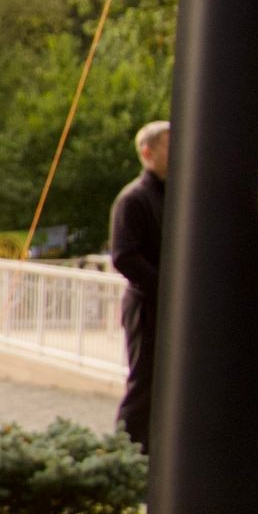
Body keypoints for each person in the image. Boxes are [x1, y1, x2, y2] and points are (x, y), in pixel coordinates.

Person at [111, 120, 169, 452]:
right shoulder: (133, 199)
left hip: (165, 303)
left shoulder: (174, 195)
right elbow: (124, 256)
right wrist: (164, 287)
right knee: (144, 382)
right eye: (168, 146)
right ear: (147, 152)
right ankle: (125, 457)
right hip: (146, 306)